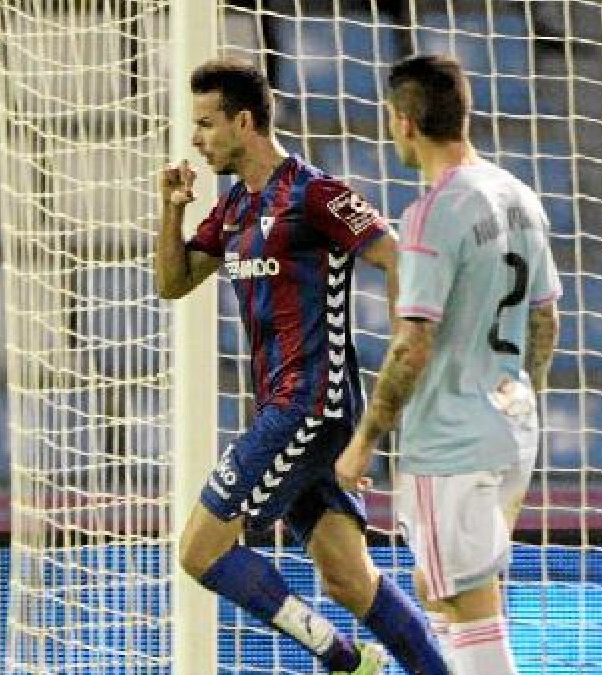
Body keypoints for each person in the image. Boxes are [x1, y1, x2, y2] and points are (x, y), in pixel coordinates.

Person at [156, 57, 449, 675]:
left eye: (206, 124)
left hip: (309, 405)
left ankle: (344, 661)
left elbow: (395, 257)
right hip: (288, 410)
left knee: (201, 550)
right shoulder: (233, 208)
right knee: (348, 579)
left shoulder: (314, 192)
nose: (196, 139)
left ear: (243, 121)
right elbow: (174, 281)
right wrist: (172, 208)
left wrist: (406, 352)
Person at [336, 54, 561, 675]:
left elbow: (412, 344)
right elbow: (546, 320)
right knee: (447, 591)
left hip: (450, 441)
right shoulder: (521, 196)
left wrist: (364, 441)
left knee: (469, 613)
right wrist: (524, 396)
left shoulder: (432, 212)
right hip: (511, 428)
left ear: (403, 121)